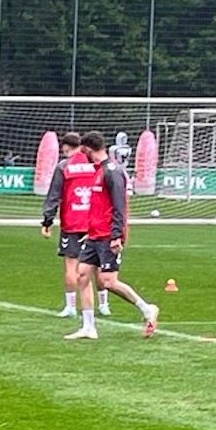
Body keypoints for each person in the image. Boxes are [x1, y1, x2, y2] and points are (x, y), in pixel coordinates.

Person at [65, 131, 158, 341]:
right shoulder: (99, 171)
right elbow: (100, 206)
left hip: (109, 235)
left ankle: (147, 309)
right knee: (81, 274)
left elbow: (119, 207)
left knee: (108, 282)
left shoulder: (112, 172)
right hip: (95, 235)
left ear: (88, 149)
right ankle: (88, 327)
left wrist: (116, 236)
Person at [40, 132, 111, 319]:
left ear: (66, 148)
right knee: (96, 267)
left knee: (71, 266)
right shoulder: (97, 166)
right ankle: (103, 304)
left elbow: (54, 196)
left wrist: (47, 221)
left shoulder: (64, 166)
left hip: (72, 222)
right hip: (93, 222)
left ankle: (71, 306)